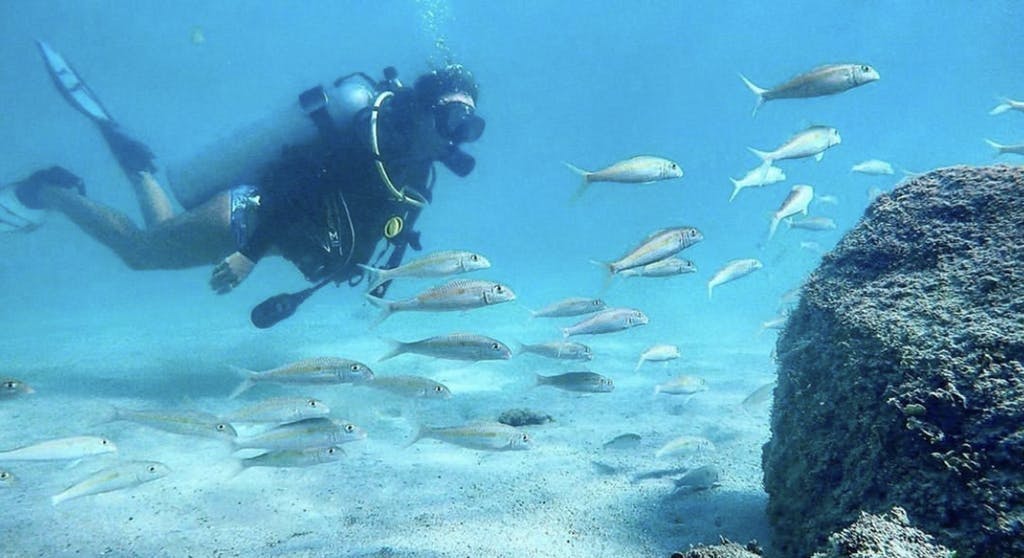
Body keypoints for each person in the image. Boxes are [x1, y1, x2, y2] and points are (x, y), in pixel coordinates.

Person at [8, 41, 484, 326]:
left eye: (468, 121)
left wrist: (382, 284)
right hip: (254, 216)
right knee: (140, 254)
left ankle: (138, 164)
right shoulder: (376, 135)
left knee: (163, 235)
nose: (459, 132)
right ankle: (50, 190)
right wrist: (250, 253)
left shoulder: (415, 166)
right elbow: (295, 179)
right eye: (454, 115)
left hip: (288, 237)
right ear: (426, 107)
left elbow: (388, 223)